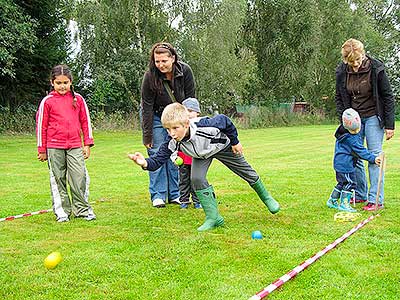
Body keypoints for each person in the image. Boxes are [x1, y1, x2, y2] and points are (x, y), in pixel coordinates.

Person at [128, 103, 280, 231]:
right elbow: (158, 160)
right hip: (202, 155)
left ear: (186, 124)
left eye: (175, 128)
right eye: (168, 129)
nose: (172, 133)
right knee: (196, 178)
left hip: (223, 147)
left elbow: (225, 121)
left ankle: (267, 198)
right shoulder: (172, 141)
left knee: (247, 173)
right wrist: (144, 163)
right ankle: (213, 218)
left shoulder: (204, 125)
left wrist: (235, 142)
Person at [335, 38, 395, 211]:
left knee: (374, 156)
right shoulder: (341, 72)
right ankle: (360, 195)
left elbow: (388, 97)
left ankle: (376, 200)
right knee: (355, 155)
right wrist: (344, 119)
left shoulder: (376, 69)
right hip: (354, 120)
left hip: (374, 117)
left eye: (358, 60)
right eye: (351, 62)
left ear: (363, 54)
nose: (355, 65)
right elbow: (339, 98)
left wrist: (389, 125)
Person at [36, 64, 96, 222]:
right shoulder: (47, 102)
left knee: (79, 177)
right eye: (58, 83)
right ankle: (62, 211)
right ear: (52, 83)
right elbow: (41, 126)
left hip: (75, 145)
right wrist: (42, 149)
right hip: (54, 147)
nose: (62, 86)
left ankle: (82, 210)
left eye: (65, 83)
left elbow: (85, 122)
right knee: (58, 179)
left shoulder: (79, 99)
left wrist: (87, 144)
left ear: (71, 82)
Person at [140, 42, 196, 208]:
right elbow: (147, 107)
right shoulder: (150, 76)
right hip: (156, 116)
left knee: (175, 153)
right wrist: (147, 135)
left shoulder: (185, 71)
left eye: (164, 61)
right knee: (157, 151)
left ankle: (175, 194)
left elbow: (190, 99)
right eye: (157, 61)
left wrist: (188, 123)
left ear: (173, 58)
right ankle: (158, 194)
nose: (160, 65)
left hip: (178, 116)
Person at [327, 109, 381, 212]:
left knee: (341, 183)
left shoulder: (341, 133)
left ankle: (332, 200)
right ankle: (344, 204)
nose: (356, 132)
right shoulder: (351, 139)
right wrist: (373, 158)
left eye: (357, 130)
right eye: (353, 131)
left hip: (339, 164)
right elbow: (361, 151)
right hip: (346, 165)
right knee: (350, 183)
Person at [177, 98, 202, 209]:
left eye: (191, 111)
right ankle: (184, 200)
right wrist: (174, 156)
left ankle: (197, 200)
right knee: (183, 180)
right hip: (183, 159)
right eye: (186, 111)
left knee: (195, 180)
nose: (189, 114)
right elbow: (174, 143)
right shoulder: (180, 128)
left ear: (197, 113)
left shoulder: (200, 127)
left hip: (196, 159)